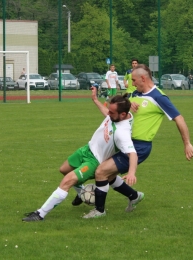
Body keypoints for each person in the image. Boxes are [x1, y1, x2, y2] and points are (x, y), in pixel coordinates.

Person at [83, 64, 193, 219]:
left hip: (139, 146)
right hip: (122, 142)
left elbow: (179, 118)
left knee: (101, 172)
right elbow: (119, 106)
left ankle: (99, 210)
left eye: (134, 80)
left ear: (143, 78)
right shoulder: (135, 93)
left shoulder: (159, 97)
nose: (132, 83)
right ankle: (134, 196)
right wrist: (129, 102)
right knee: (107, 175)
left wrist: (187, 143)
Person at [22, 87, 138, 222]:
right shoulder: (118, 115)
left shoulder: (122, 132)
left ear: (123, 114)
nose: (109, 114)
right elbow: (107, 112)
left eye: (112, 113)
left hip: (94, 160)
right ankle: (82, 192)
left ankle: (40, 214)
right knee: (63, 169)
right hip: (86, 149)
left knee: (67, 181)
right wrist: (95, 100)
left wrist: (131, 173)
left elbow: (133, 154)